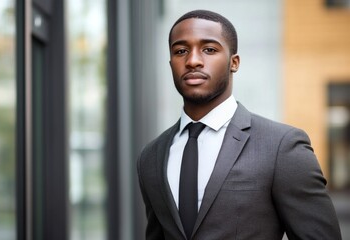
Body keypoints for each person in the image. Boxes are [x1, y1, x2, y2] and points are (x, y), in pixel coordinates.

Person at [137, 9, 342, 240]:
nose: (193, 60)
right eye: (181, 51)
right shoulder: (151, 156)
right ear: (171, 62)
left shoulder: (281, 147)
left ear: (234, 62)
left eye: (209, 49)